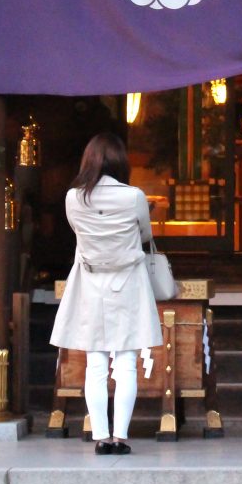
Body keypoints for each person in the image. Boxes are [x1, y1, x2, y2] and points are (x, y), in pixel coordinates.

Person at [50, 132, 162, 455]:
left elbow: (77, 232)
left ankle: (101, 435)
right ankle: (121, 436)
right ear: (120, 162)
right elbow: (144, 233)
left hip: (91, 283)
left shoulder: (74, 198)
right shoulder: (134, 197)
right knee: (126, 361)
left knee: (95, 363)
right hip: (127, 282)